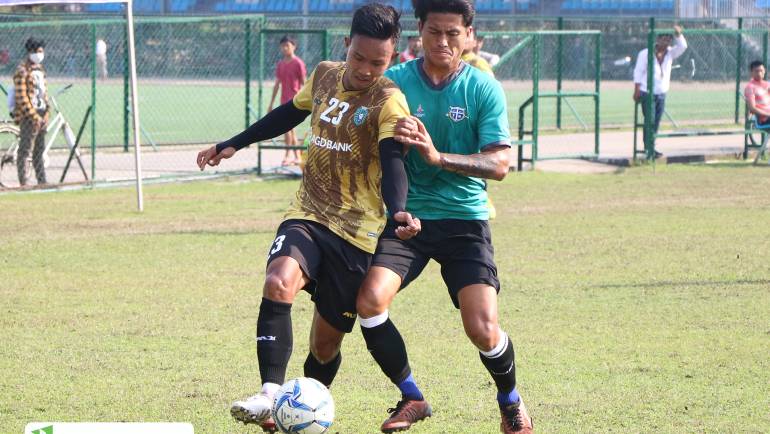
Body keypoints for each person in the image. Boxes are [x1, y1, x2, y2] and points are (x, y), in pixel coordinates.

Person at [196, 4, 419, 432]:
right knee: (278, 280)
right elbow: (289, 113)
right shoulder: (323, 75)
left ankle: (293, 415)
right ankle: (268, 395)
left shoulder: (390, 101)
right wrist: (235, 143)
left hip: (356, 233)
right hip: (308, 213)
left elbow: (393, 162)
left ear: (391, 58)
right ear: (346, 45)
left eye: (379, 62)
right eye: (359, 57)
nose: (367, 69)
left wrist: (400, 209)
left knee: (324, 346)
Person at [355, 1, 532, 433]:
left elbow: (500, 165)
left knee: (483, 327)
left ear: (469, 35)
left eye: (454, 33)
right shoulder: (393, 84)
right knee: (369, 302)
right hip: (408, 219)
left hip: (464, 221)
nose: (443, 42)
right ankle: (411, 396)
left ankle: (510, 400)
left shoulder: (483, 88)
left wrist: (436, 157)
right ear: (420, 31)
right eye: (435, 31)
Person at [633, 25, 687, 158]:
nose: (666, 42)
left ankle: (652, 146)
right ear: (657, 39)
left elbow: (683, 47)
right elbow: (638, 72)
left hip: (661, 93)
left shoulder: (670, 53)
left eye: (669, 39)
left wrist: (678, 35)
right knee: (649, 120)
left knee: (656, 122)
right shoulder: (645, 53)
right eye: (663, 39)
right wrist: (637, 89)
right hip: (647, 92)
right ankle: (648, 148)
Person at [12, 37, 48, 186]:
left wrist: (46, 113)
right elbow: (21, 97)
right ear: (31, 52)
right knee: (25, 150)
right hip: (29, 116)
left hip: (41, 113)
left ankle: (42, 181)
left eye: (42, 51)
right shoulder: (22, 70)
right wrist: (34, 116)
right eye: (38, 51)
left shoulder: (40, 69)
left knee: (39, 151)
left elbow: (44, 93)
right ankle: (24, 182)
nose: (40, 54)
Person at [268, 35, 307, 166]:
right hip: (283, 101)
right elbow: (277, 84)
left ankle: (289, 156)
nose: (285, 48)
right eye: (283, 46)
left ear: (293, 47)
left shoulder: (298, 63)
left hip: (295, 102)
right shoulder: (280, 64)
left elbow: (304, 83)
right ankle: (295, 156)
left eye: (287, 46)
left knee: (288, 129)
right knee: (289, 129)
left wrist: (301, 99)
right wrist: (271, 103)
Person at [744, 60, 770, 126]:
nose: (759, 73)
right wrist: (768, 114)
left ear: (764, 71)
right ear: (751, 72)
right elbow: (752, 108)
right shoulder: (750, 87)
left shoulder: (767, 84)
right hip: (764, 119)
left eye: (761, 70)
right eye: (756, 71)